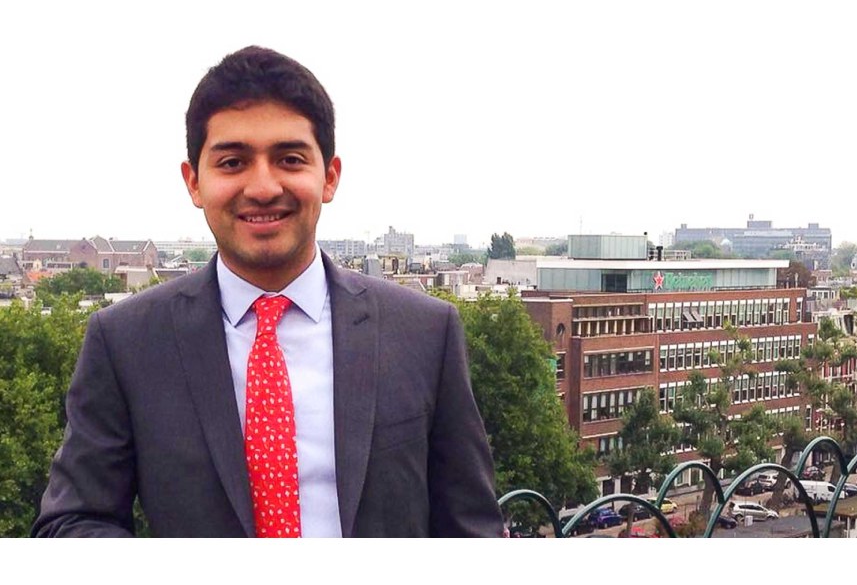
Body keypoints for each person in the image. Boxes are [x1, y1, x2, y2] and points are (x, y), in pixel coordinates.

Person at [32, 46, 504, 537]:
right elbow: (73, 522)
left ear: (330, 176)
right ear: (194, 182)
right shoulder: (126, 341)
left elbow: (471, 530)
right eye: (233, 162)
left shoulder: (426, 332)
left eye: (290, 158)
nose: (262, 187)